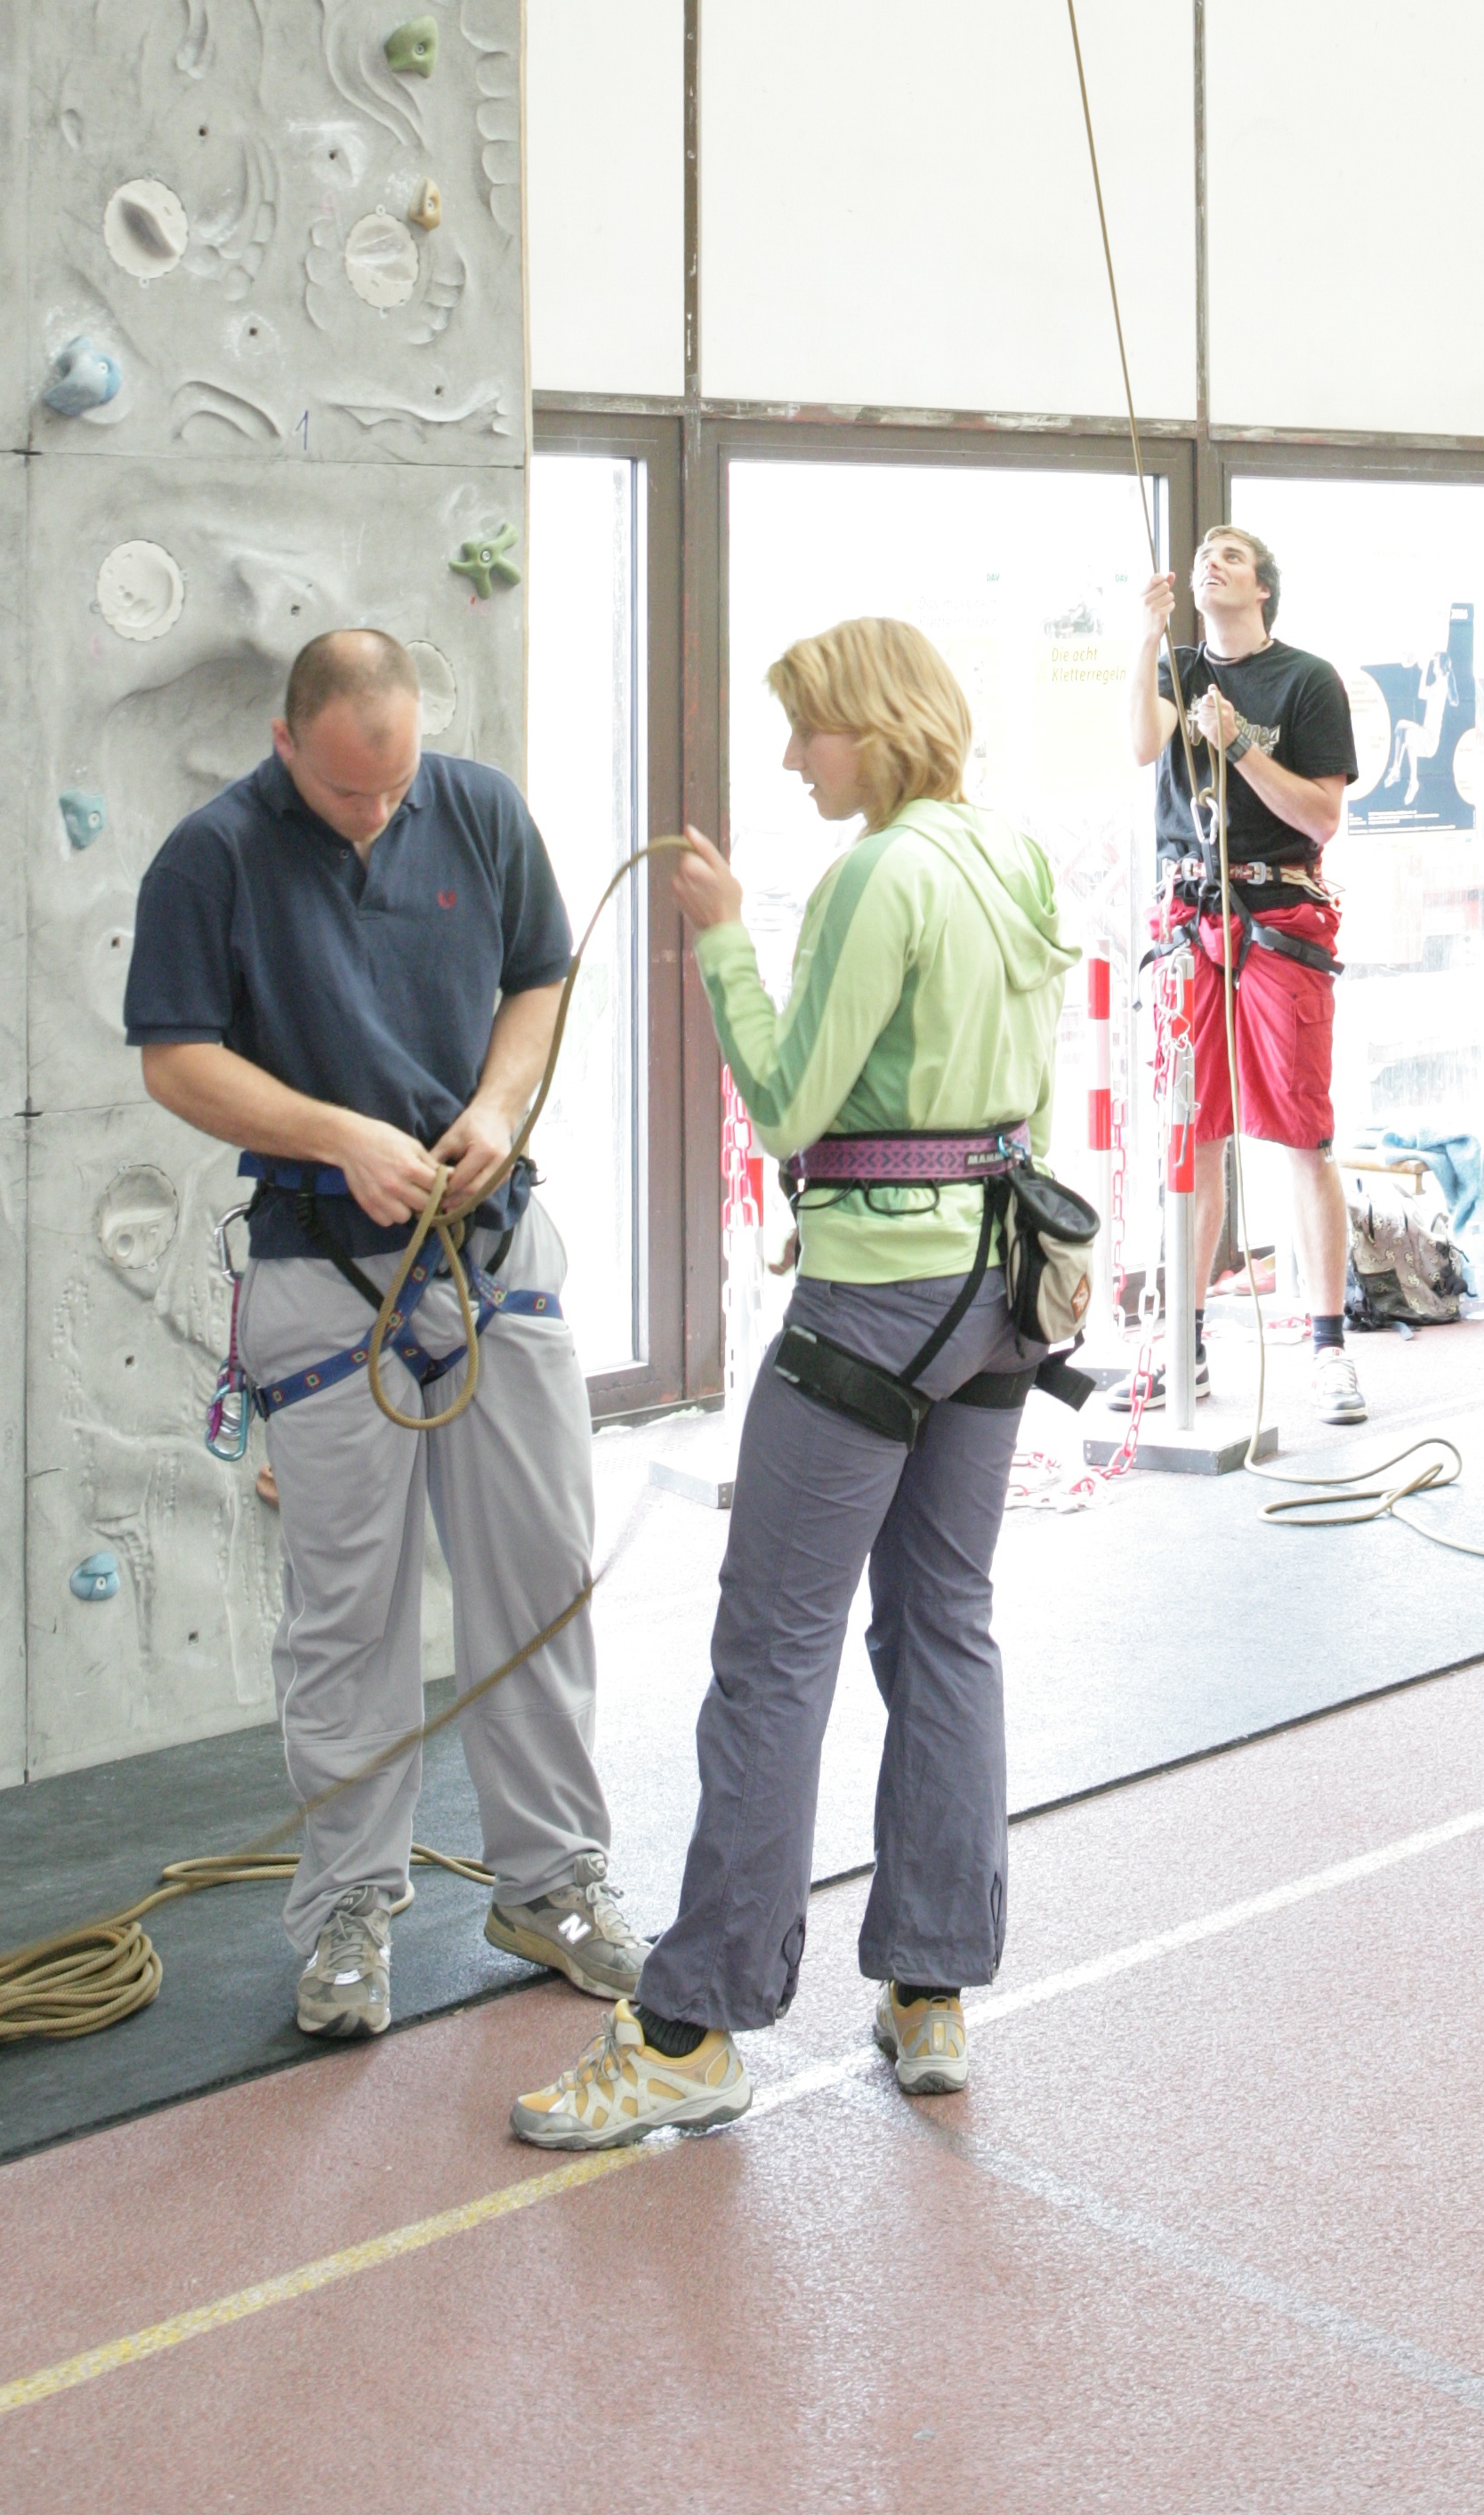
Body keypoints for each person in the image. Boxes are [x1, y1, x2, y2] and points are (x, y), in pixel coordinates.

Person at [512, 617, 1071, 2150]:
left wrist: (719, 937)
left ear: (870, 731)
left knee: (773, 1649)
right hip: (998, 1293)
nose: (787, 758)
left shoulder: (874, 876)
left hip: (877, 1296)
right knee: (943, 1622)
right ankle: (930, 1988)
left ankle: (691, 2024)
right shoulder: (1010, 858)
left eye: (805, 730)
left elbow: (784, 1103)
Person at [127, 625, 648, 2041]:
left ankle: (554, 1882)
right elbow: (177, 1059)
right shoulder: (212, 858)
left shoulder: (478, 810)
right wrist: (338, 1134)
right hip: (320, 1271)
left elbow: (537, 980)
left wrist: (497, 1108)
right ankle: (349, 1909)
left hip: (492, 1254)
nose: (372, 813)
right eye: (345, 790)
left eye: (393, 785)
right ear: (284, 743)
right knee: (346, 1615)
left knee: (537, 1584)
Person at [1127, 526, 1364, 1427]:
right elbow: (1140, 745)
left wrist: (1236, 748)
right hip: (1191, 915)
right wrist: (1147, 638)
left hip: (1277, 917)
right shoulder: (1178, 669)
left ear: (1262, 586)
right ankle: (1182, 1346)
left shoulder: (1305, 681)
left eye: (1229, 555)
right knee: (1194, 1135)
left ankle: (1330, 1346)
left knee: (1303, 1134)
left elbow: (1322, 816)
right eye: (1203, 556)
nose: (1210, 563)